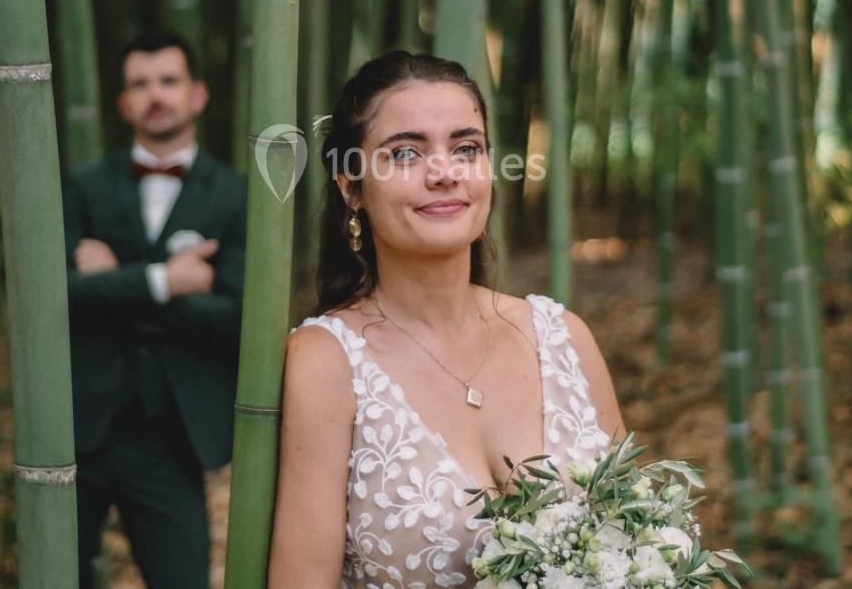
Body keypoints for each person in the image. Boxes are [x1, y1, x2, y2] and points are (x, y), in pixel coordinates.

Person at [268, 51, 627, 589]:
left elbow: (645, 536)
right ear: (352, 187)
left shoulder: (563, 337)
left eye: (466, 148)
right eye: (406, 153)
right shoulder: (326, 362)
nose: (444, 173)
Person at [63, 30, 247, 589]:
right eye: (140, 85)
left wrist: (116, 284)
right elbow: (60, 298)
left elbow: (237, 318)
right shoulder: (83, 185)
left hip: (169, 434)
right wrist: (168, 281)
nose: (155, 95)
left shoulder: (234, 194)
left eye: (169, 81)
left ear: (197, 94)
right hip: (72, 428)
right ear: (123, 104)